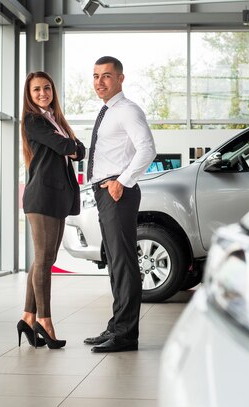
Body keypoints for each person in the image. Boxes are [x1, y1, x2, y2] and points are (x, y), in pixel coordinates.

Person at [83, 56, 156, 353]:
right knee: (115, 263)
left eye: (107, 76)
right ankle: (117, 326)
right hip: (106, 191)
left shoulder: (127, 110)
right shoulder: (107, 111)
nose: (100, 81)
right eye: (96, 76)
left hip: (118, 192)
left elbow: (148, 149)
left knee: (124, 263)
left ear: (120, 79)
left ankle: (126, 335)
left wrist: (121, 182)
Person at [18, 71, 85, 350]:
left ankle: (27, 316)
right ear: (29, 95)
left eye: (47, 88)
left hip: (55, 197)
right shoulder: (33, 120)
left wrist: (73, 147)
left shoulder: (54, 120)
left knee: (44, 258)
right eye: (37, 90)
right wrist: (72, 147)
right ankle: (44, 320)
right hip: (42, 196)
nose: (43, 93)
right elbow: (67, 146)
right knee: (45, 261)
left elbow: (78, 150)